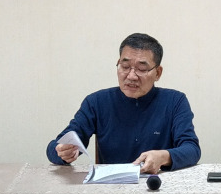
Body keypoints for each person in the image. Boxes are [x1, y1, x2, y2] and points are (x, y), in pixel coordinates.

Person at [46, 33, 201, 174]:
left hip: (157, 186)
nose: (131, 76)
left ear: (158, 73)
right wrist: (62, 151)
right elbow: (55, 147)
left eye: (142, 69)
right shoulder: (97, 102)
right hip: (110, 188)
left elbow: (192, 149)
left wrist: (164, 156)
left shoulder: (175, 101)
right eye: (125, 67)